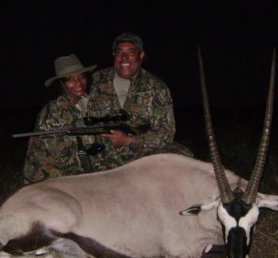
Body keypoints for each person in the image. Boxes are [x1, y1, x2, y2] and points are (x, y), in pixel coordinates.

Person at [88, 32, 192, 171]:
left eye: (131, 52)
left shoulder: (156, 87)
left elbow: (166, 132)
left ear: (141, 56)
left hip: (141, 160)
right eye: (119, 52)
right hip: (100, 159)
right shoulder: (94, 81)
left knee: (182, 155)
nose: (124, 57)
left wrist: (129, 141)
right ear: (114, 55)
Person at [23, 54, 97, 183]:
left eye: (81, 76)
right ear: (62, 83)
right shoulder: (54, 111)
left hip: (75, 173)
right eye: (70, 79)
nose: (78, 83)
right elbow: (62, 159)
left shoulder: (88, 102)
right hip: (48, 179)